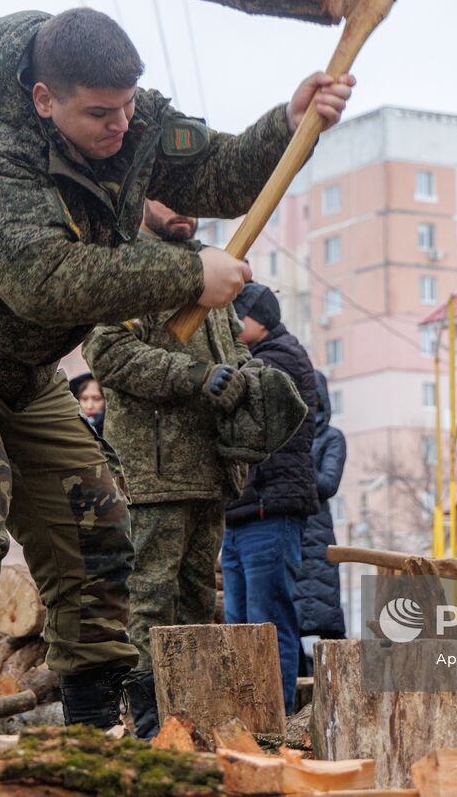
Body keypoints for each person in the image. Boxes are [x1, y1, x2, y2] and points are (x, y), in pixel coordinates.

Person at [0, 7, 352, 796]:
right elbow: (46, 281)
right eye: (99, 113)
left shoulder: (131, 118)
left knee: (97, 523)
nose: (121, 124)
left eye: (128, 105)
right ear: (46, 98)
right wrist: (191, 277)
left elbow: (215, 168)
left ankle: (85, 740)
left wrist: (283, 126)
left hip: (21, 367)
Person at [81, 198, 253, 740]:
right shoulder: (127, 264)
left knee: (199, 596)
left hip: (208, 466)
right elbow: (107, 351)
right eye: (167, 197)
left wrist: (251, 381)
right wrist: (196, 377)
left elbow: (232, 353)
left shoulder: (212, 269)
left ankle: (194, 720)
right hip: (153, 471)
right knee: (150, 598)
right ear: (142, 201)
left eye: (190, 199)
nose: (182, 209)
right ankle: (150, 723)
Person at [222, 283, 318, 713]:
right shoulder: (265, 356)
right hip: (244, 511)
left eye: (234, 317)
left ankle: (272, 715)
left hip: (269, 509)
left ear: (257, 320)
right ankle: (249, 715)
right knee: (239, 621)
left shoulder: (277, 362)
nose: (227, 325)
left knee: (267, 620)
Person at [295, 370, 347, 674]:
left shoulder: (331, 438)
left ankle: (340, 684)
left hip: (317, 535)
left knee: (327, 616)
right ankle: (298, 694)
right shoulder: (286, 435)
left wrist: (295, 465)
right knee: (289, 621)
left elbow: (328, 483)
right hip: (289, 531)